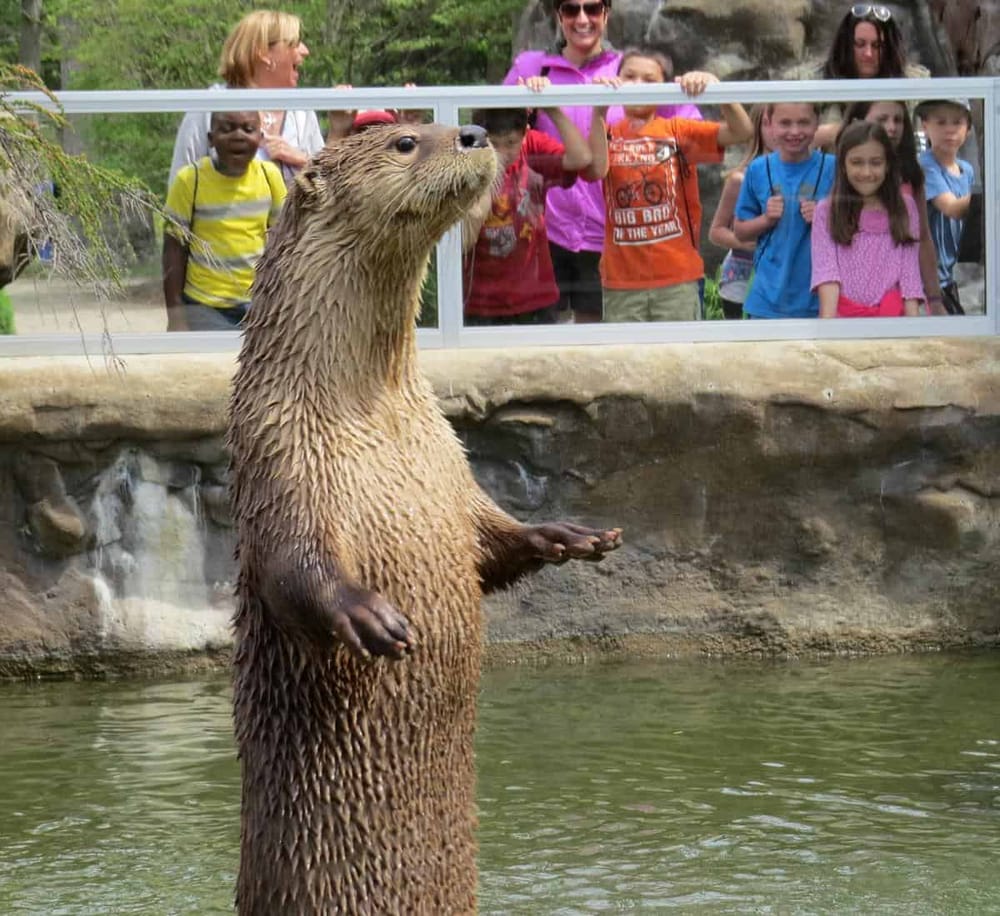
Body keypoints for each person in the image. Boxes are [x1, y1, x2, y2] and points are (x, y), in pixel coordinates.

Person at [503, 0, 701, 323]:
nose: (582, 18)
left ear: (606, 14)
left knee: (594, 342)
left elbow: (686, 122)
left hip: (608, 234)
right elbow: (496, 130)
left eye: (592, 8)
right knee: (540, 340)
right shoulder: (533, 68)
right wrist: (526, 97)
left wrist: (696, 83)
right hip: (542, 231)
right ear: (559, 16)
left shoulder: (629, 72)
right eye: (571, 9)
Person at [589, 52, 752, 322]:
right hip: (621, 282)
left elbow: (741, 131)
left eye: (649, 79)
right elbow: (596, 169)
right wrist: (598, 108)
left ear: (664, 87)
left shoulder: (678, 130)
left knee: (679, 360)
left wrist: (715, 87)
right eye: (629, 76)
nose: (638, 85)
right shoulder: (607, 131)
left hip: (677, 279)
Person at [462, 105, 596, 326]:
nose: (503, 153)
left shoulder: (532, 147)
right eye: (493, 145)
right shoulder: (470, 161)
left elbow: (581, 159)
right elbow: (463, 239)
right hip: (480, 299)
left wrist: (552, 109)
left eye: (511, 143)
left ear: (525, 133)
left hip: (534, 296)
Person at [169, 10, 327, 186]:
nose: (305, 51)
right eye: (295, 43)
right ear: (264, 53)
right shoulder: (209, 107)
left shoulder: (302, 112)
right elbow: (180, 185)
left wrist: (301, 159)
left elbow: (326, 188)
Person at [162, 111, 286, 331]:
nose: (238, 136)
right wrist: (176, 314)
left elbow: (285, 241)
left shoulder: (270, 176)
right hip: (205, 307)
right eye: (227, 129)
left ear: (260, 138)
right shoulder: (190, 180)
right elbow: (173, 249)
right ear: (211, 139)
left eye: (248, 129)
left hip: (260, 306)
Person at [841, 100, 947, 314]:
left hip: (902, 298)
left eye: (898, 120)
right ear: (858, 123)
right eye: (882, 119)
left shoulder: (911, 176)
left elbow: (922, 238)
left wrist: (935, 298)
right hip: (852, 303)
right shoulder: (842, 174)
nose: (892, 127)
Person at [811, 121, 923, 318]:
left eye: (876, 162)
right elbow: (827, 274)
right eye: (856, 162)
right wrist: (827, 330)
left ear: (887, 165)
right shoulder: (826, 210)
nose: (866, 172)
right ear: (843, 166)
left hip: (893, 320)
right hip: (843, 319)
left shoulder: (906, 207)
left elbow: (910, 274)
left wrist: (913, 330)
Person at [733, 103, 835, 319]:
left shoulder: (834, 168)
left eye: (804, 122)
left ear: (817, 123)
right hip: (766, 302)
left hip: (820, 302)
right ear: (769, 124)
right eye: (785, 123)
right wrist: (766, 219)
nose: (795, 131)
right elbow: (740, 230)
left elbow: (856, 227)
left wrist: (824, 218)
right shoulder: (758, 169)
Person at [812, 4, 928, 149]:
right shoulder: (815, 82)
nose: (868, 54)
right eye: (860, 44)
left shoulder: (913, 83)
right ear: (846, 45)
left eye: (877, 46)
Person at [708, 105, 772, 320]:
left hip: (784, 280)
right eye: (767, 122)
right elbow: (716, 232)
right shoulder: (740, 179)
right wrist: (744, 242)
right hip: (740, 282)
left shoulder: (807, 179)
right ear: (756, 128)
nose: (777, 130)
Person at [916, 98, 974, 315]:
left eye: (957, 122)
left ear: (968, 129)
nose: (949, 129)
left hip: (951, 275)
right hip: (927, 280)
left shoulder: (967, 170)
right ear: (925, 126)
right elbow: (952, 208)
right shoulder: (925, 165)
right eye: (940, 122)